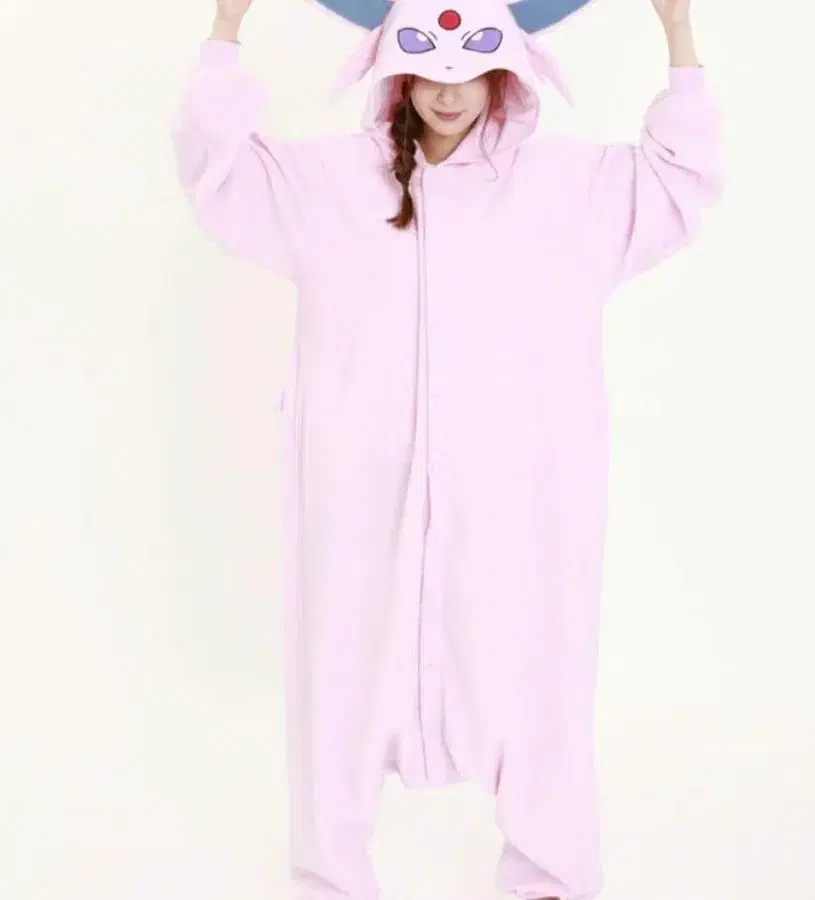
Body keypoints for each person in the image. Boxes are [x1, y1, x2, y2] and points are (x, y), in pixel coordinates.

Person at [170, 0, 723, 897]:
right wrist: (226, 30)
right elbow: (220, 173)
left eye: (471, 68)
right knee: (340, 684)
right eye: (427, 65)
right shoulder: (333, 185)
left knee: (537, 678)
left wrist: (679, 36)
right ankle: (330, 878)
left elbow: (680, 181)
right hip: (360, 498)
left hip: (520, 499)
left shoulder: (564, 191)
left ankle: (549, 876)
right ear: (393, 70)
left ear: (509, 70)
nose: (449, 89)